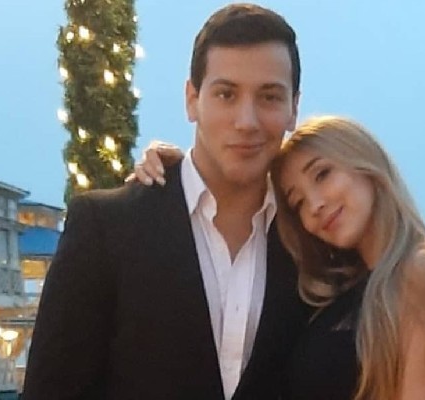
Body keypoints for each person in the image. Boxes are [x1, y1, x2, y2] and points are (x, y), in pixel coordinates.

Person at [22, 4, 308, 400]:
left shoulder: (310, 242)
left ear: (294, 108)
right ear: (192, 99)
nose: (246, 120)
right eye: (226, 94)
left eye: (269, 97)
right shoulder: (107, 228)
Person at [134, 116, 425, 399]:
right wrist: (185, 173)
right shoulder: (336, 290)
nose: (316, 205)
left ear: (365, 162)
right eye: (298, 202)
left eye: (322, 175)